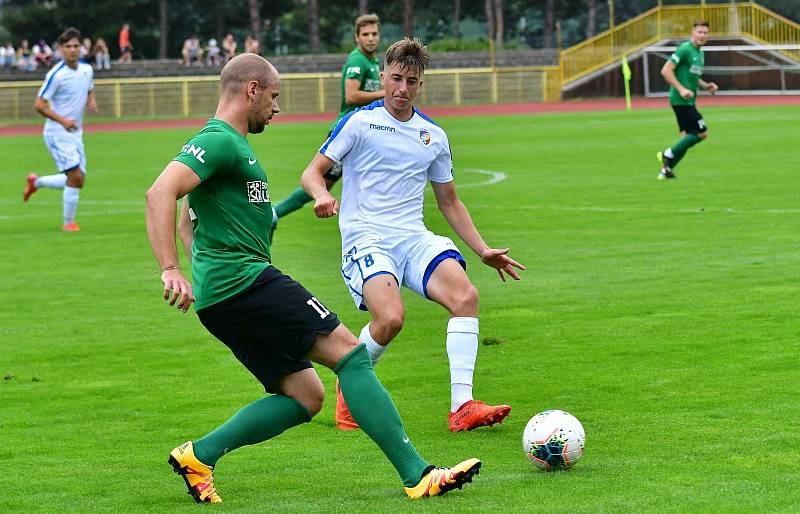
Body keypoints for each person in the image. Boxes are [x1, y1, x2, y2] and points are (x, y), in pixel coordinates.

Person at [146, 52, 481, 504]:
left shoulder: (234, 147)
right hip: (248, 283)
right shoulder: (221, 141)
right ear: (252, 90)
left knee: (305, 396)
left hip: (220, 297)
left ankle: (198, 456)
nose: (277, 107)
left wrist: (201, 267)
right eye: (274, 96)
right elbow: (161, 191)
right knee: (352, 356)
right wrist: (171, 268)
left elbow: (189, 218)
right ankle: (418, 474)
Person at [301, 38, 525, 432]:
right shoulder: (359, 122)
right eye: (397, 79)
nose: (402, 89)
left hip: (412, 237)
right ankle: (350, 384)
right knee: (390, 319)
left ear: (421, 84)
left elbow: (450, 202)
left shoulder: (432, 136)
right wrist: (321, 195)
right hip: (366, 237)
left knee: (466, 297)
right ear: (384, 76)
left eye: (412, 82)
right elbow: (312, 172)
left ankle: (462, 406)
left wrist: (483, 249)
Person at [271, 13, 385, 238]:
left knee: (333, 183)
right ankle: (275, 213)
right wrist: (386, 94)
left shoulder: (372, 60)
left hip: (361, 133)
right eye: (365, 34)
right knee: (321, 182)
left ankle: (275, 213)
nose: (371, 38)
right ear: (356, 37)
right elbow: (351, 96)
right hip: (347, 132)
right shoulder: (357, 60)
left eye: (374, 33)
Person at [23, 27, 98, 232]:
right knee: (76, 176)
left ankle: (36, 182)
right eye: (68, 46)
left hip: (75, 132)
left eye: (75, 46)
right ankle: (68, 223)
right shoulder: (56, 75)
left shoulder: (87, 69)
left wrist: (91, 102)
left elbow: (89, 88)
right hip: (57, 132)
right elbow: (39, 104)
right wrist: (63, 121)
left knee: (77, 179)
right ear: (60, 49)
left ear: (81, 48)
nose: (72, 50)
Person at [657, 20, 718, 180]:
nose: (702, 35)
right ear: (693, 33)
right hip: (680, 100)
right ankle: (668, 154)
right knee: (701, 133)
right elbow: (666, 70)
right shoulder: (685, 49)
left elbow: (694, 77)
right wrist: (681, 89)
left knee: (686, 137)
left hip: (688, 100)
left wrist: (706, 86)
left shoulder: (700, 53)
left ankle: (666, 171)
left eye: (705, 33)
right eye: (699, 32)